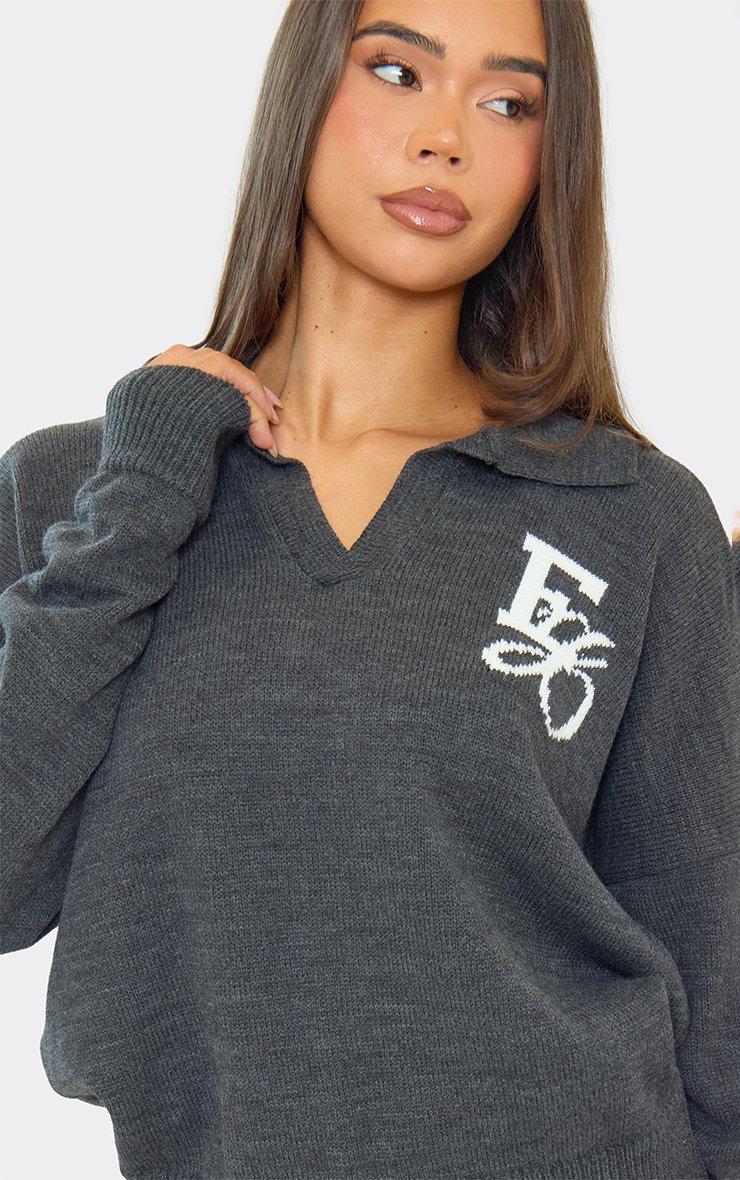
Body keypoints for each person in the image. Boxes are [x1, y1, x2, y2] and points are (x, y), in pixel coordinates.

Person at [1, 1, 737, 1178]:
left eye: (508, 102)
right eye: (396, 71)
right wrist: (149, 475)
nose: (445, 137)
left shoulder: (632, 516)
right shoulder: (80, 490)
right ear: (304, 89)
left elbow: (713, 947)